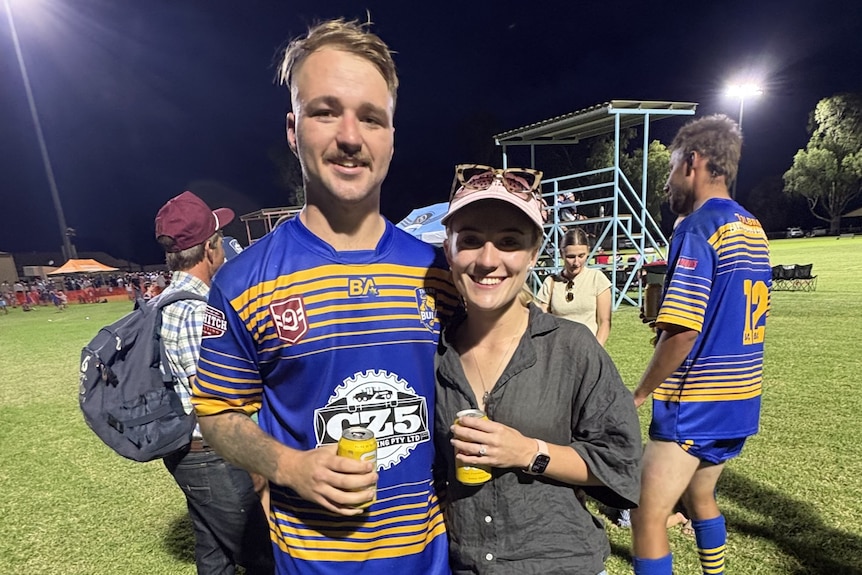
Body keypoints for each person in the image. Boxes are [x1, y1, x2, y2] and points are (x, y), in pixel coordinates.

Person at [191, 19, 456, 574]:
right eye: (326, 111)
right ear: (293, 129)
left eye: (371, 117)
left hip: (434, 561)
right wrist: (289, 466)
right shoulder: (243, 283)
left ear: (391, 135)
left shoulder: (438, 274)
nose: (351, 137)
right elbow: (216, 413)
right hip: (312, 562)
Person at [434, 165, 642, 574]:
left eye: (509, 242)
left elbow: (620, 463)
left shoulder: (571, 348)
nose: (488, 261)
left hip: (560, 563)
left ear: (533, 253)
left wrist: (529, 452)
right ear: (449, 251)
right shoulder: (431, 353)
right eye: (471, 241)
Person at [630, 115, 771, 575]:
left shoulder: (696, 226)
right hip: (740, 400)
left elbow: (684, 332)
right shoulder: (753, 227)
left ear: (693, 162)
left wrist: (640, 392)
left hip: (696, 403)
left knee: (647, 515)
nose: (669, 180)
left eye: (672, 167)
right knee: (700, 496)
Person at [154, 190, 274, 575]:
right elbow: (217, 402)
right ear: (210, 249)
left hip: (191, 452)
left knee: (213, 554)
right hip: (210, 453)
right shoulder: (196, 310)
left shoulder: (168, 298)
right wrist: (257, 471)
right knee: (263, 556)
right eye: (219, 239)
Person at [536, 228, 612, 346]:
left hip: (588, 349)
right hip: (558, 350)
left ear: (588, 252)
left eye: (581, 256)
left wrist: (596, 350)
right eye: (571, 257)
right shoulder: (550, 282)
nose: (576, 262)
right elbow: (542, 322)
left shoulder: (597, 279)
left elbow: (605, 322)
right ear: (562, 254)